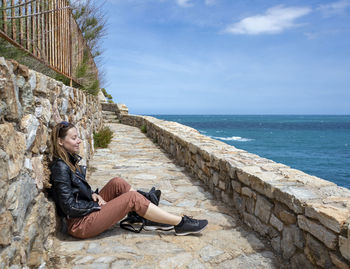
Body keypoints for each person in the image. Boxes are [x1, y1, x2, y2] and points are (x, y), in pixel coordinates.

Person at [49, 121, 208, 239]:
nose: (79, 141)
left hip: (84, 212)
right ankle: (180, 224)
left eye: (78, 137)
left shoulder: (68, 160)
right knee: (132, 198)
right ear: (60, 142)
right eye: (74, 138)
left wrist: (92, 194)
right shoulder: (60, 167)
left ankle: (146, 214)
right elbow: (68, 206)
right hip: (80, 224)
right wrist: (93, 205)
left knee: (117, 182)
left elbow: (75, 190)